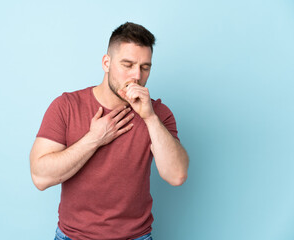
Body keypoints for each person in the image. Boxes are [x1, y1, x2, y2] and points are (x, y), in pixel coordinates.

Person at [30, 22, 189, 240]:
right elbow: (40, 177)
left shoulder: (158, 113)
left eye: (145, 67)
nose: (136, 76)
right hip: (73, 237)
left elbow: (176, 175)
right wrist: (93, 139)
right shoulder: (66, 106)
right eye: (127, 64)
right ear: (107, 62)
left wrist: (150, 118)